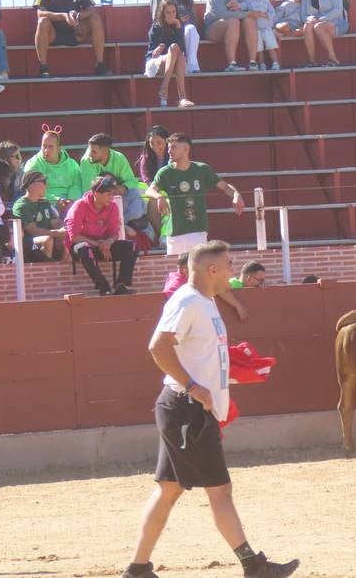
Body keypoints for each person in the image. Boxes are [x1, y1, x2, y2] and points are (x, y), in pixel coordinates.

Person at [125, 240, 300, 578]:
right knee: (219, 490)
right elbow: (157, 346)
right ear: (212, 270)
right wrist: (193, 386)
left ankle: (138, 568)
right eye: (229, 264)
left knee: (169, 490)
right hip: (186, 408)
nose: (233, 270)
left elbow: (196, 351)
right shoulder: (189, 300)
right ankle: (254, 566)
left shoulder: (204, 302)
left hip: (186, 407)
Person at [146, 132, 246, 255]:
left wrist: (236, 195)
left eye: (173, 147)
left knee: (199, 271)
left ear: (186, 149)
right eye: (169, 147)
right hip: (174, 233)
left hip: (197, 232)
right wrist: (159, 196)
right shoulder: (165, 172)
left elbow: (225, 187)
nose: (169, 151)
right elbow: (149, 190)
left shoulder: (201, 169)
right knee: (177, 272)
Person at [33, 0, 111, 77]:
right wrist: (64, 16)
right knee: (42, 21)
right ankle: (43, 67)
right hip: (52, 34)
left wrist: (78, 16)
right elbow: (40, 13)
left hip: (76, 31)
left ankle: (100, 64)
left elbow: (90, 9)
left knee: (95, 18)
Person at [65, 175, 137, 296]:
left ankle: (121, 285)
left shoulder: (113, 206)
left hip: (104, 245)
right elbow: (74, 237)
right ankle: (104, 287)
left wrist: (108, 243)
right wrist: (98, 244)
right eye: (108, 194)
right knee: (85, 250)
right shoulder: (79, 206)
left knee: (132, 246)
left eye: (113, 194)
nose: (112, 198)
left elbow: (114, 233)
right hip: (83, 247)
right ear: (96, 194)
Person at [80, 133, 148, 231]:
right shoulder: (87, 161)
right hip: (100, 202)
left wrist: (124, 187)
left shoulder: (119, 158)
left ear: (105, 151)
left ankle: (122, 223)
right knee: (139, 210)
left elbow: (131, 181)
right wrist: (109, 193)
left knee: (134, 192)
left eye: (94, 151)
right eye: (90, 150)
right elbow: (89, 191)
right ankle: (120, 224)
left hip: (119, 199)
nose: (90, 154)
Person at [203, 0, 261, 72]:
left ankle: (253, 62)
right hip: (213, 28)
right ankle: (232, 64)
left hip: (237, 29)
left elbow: (252, 11)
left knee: (250, 20)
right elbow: (221, 14)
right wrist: (244, 13)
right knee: (234, 21)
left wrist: (239, 7)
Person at [151, 0, 201, 73]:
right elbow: (156, 19)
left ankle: (192, 67)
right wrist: (176, 20)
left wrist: (184, 21)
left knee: (191, 29)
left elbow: (194, 20)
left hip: (184, 31)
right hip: (166, 34)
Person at [145, 0, 194, 108]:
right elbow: (154, 52)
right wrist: (162, 45)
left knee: (179, 54)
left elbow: (181, 49)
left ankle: (180, 98)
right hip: (155, 63)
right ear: (162, 13)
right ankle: (168, 90)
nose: (171, 15)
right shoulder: (157, 26)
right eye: (168, 12)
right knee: (174, 48)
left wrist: (177, 25)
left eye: (173, 12)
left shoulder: (178, 24)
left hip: (173, 61)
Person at [23, 125, 83, 214]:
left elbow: (77, 185)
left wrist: (71, 201)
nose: (46, 150)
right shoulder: (33, 164)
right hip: (43, 205)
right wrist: (55, 201)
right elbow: (32, 188)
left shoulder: (72, 164)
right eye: (44, 146)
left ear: (59, 148)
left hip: (70, 206)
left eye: (50, 147)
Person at [301, 0, 348, 68]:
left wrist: (321, 19)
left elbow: (338, 9)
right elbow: (303, 14)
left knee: (318, 27)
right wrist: (310, 18)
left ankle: (333, 60)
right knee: (307, 25)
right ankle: (311, 61)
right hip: (317, 23)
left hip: (338, 23)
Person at [13, 170, 67, 262]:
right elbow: (33, 231)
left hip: (46, 236)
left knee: (68, 236)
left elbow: (56, 223)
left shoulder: (44, 202)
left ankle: (63, 270)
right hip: (27, 242)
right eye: (44, 182)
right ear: (32, 184)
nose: (47, 185)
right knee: (47, 240)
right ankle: (48, 272)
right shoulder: (22, 205)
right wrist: (57, 233)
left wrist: (68, 229)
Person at [137, 125, 171, 240]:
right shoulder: (145, 158)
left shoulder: (173, 155)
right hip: (154, 189)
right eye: (152, 143)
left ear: (166, 141)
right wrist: (157, 193)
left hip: (169, 189)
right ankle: (159, 235)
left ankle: (165, 235)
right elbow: (147, 180)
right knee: (145, 196)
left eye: (159, 143)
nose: (155, 147)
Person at [248, 0, 280, 70]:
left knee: (270, 46)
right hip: (256, 29)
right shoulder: (249, 1)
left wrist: (266, 15)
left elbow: (272, 13)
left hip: (267, 29)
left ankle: (275, 62)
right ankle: (262, 64)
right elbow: (243, 7)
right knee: (259, 49)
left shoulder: (266, 2)